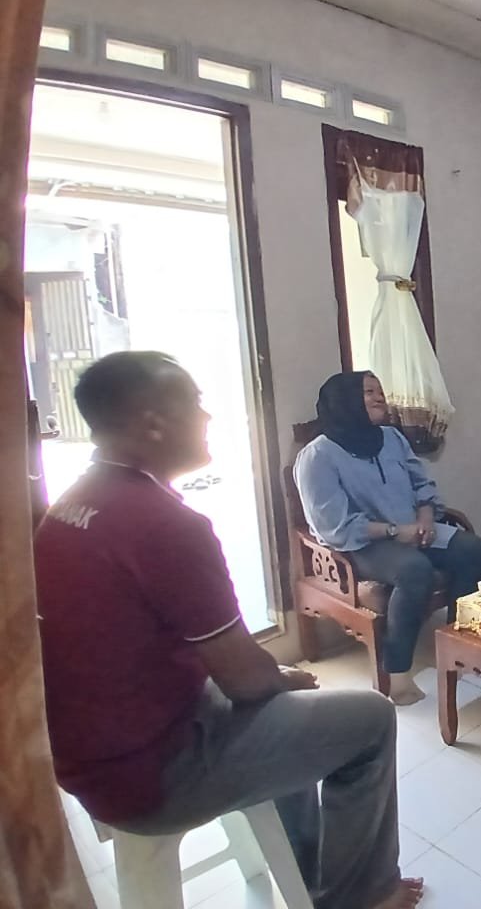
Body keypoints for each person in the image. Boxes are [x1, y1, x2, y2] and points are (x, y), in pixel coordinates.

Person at [34, 352, 422, 909]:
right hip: (152, 771)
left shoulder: (71, 504)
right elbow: (245, 680)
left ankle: (313, 881)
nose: (207, 416)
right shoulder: (166, 526)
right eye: (193, 402)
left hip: (93, 756)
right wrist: (277, 678)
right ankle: (363, 895)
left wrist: (272, 680)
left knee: (287, 709)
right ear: (153, 424)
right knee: (370, 718)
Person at [295, 371, 481, 707]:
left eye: (380, 391)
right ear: (345, 401)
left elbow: (421, 485)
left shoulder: (391, 438)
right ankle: (398, 673)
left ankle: (460, 647)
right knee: (414, 570)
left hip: (413, 528)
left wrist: (426, 518)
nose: (379, 398)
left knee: (473, 549)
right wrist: (394, 531)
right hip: (362, 543)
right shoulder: (317, 456)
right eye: (368, 392)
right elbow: (334, 526)